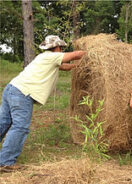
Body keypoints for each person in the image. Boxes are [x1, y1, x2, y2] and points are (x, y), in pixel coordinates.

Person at [0, 35, 86, 171]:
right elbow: (75, 54)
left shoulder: (45, 58)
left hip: (12, 89)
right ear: (57, 47)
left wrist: (77, 66)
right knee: (20, 127)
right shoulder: (51, 57)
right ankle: (6, 162)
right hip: (22, 93)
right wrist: (93, 52)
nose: (62, 50)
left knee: (4, 122)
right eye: (61, 48)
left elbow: (64, 67)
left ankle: (5, 159)